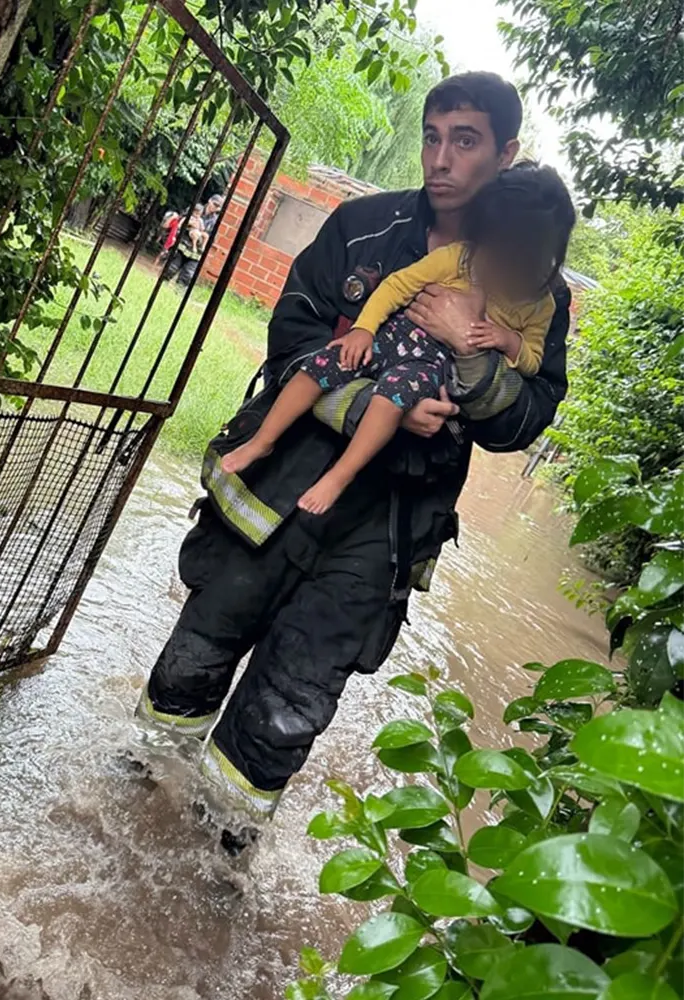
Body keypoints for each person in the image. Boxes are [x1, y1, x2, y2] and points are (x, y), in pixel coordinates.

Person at [134, 72, 573, 834]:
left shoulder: (539, 291)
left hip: (388, 529)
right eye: (431, 138)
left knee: (289, 705)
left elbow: (524, 419)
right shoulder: (364, 226)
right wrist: (376, 405)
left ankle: (216, 853)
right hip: (280, 488)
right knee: (195, 653)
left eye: (465, 141)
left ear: (506, 153)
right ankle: (132, 795)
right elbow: (292, 335)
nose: (440, 159)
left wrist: (470, 353)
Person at [222, 164, 575, 515]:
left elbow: (532, 361)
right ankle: (262, 440)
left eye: (520, 259)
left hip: (431, 365)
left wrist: (507, 340)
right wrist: (363, 329)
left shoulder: (542, 305)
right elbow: (399, 285)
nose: (503, 266)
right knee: (322, 363)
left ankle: (339, 476)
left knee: (391, 398)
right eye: (498, 250)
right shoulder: (458, 258)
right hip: (395, 335)